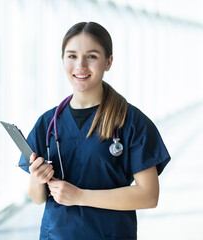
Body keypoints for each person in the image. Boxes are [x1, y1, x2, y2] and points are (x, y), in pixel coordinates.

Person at [18, 22, 171, 240]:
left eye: (91, 56)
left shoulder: (132, 122)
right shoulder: (47, 122)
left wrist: (80, 196)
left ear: (108, 62)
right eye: (72, 56)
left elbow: (149, 195)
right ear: (63, 60)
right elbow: (37, 197)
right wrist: (37, 178)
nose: (80, 65)